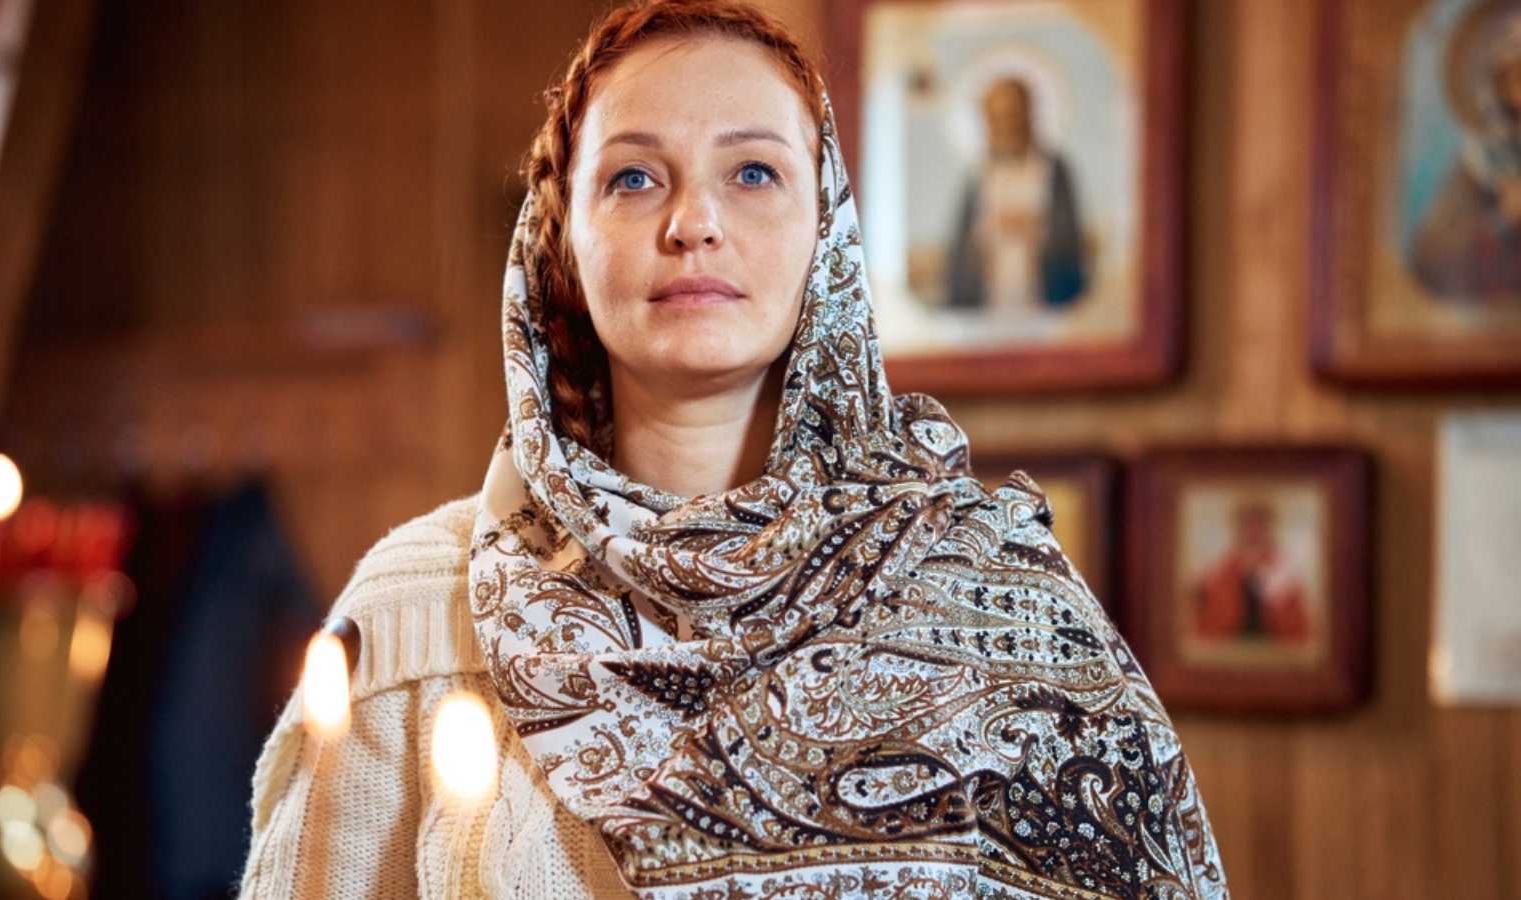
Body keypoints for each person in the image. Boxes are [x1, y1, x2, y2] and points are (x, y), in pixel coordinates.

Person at [238, 2, 1225, 897]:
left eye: (753, 172)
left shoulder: (989, 593)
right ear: (560, 240)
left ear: (826, 228)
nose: (693, 223)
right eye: (632, 178)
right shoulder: (415, 612)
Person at [943, 76, 1088, 314]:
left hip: (1044, 297)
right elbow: (961, 248)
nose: (1005, 126)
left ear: (1027, 115)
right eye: (995, 118)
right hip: (990, 300)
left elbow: (1069, 237)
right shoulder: (977, 174)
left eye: (1011, 115)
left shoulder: (1054, 168)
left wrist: (1033, 228)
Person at [1410, 13, 1521, 298]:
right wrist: (1503, 219)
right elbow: (1432, 259)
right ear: (1500, 87)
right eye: (1519, 77)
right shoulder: (1481, 162)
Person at [1191, 500, 1312, 644]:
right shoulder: (1221, 568)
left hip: (1274, 649)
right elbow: (1207, 614)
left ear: (1267, 528)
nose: (1252, 531)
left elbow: (1297, 623)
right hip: (1229, 647)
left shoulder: (1284, 567)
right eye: (1246, 524)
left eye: (1258, 524)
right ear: (1238, 529)